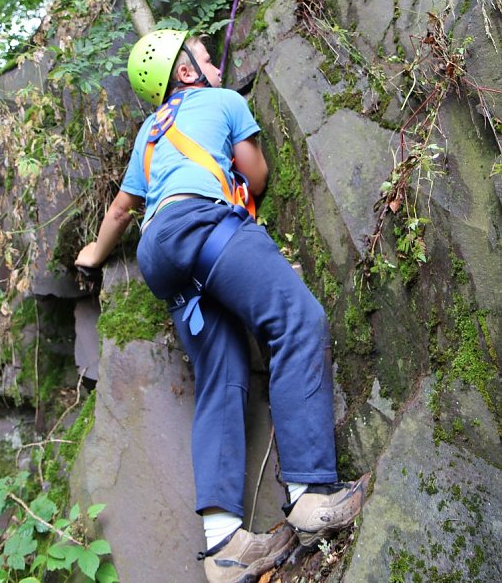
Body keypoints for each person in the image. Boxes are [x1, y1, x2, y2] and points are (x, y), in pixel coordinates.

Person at [75, 29, 369, 583]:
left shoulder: (150, 132)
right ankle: (310, 494)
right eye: (206, 58)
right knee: (296, 320)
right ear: (184, 73)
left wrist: (92, 254)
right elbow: (256, 175)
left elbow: (121, 208)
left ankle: (224, 547)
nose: (214, 64)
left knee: (222, 373)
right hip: (205, 225)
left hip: (157, 252)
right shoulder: (225, 100)